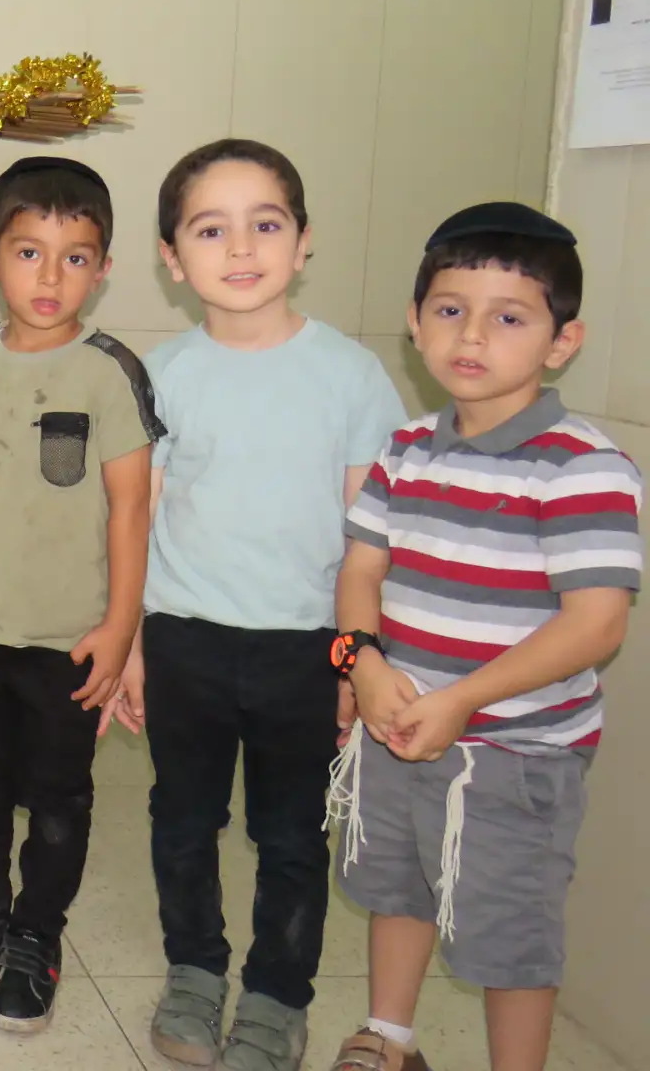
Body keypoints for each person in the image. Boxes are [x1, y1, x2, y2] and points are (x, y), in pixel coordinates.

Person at [327, 203, 638, 1071]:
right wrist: (363, 662)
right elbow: (360, 570)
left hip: (513, 756)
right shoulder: (405, 449)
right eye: (451, 308)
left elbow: (597, 623)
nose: (471, 335)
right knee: (396, 883)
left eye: (509, 318)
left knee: (508, 936)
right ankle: (389, 1038)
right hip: (398, 721)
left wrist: (463, 700)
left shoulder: (581, 467)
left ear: (561, 342)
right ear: (415, 321)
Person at [117, 141, 405, 1071]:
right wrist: (128, 644)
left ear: (303, 240)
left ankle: (279, 998)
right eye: (211, 230)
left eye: (265, 224)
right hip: (183, 637)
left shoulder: (353, 375)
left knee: (291, 836)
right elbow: (137, 521)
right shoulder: (161, 374)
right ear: (173, 257)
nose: (241, 248)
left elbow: (371, 543)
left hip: (306, 647)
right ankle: (195, 972)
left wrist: (358, 658)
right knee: (181, 820)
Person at [0, 156, 158, 1034]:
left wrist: (121, 626)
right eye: (29, 253)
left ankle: (37, 935)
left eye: (75, 257)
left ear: (103, 268)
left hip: (72, 639)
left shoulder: (110, 373)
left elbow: (132, 509)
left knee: (59, 801)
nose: (50, 278)